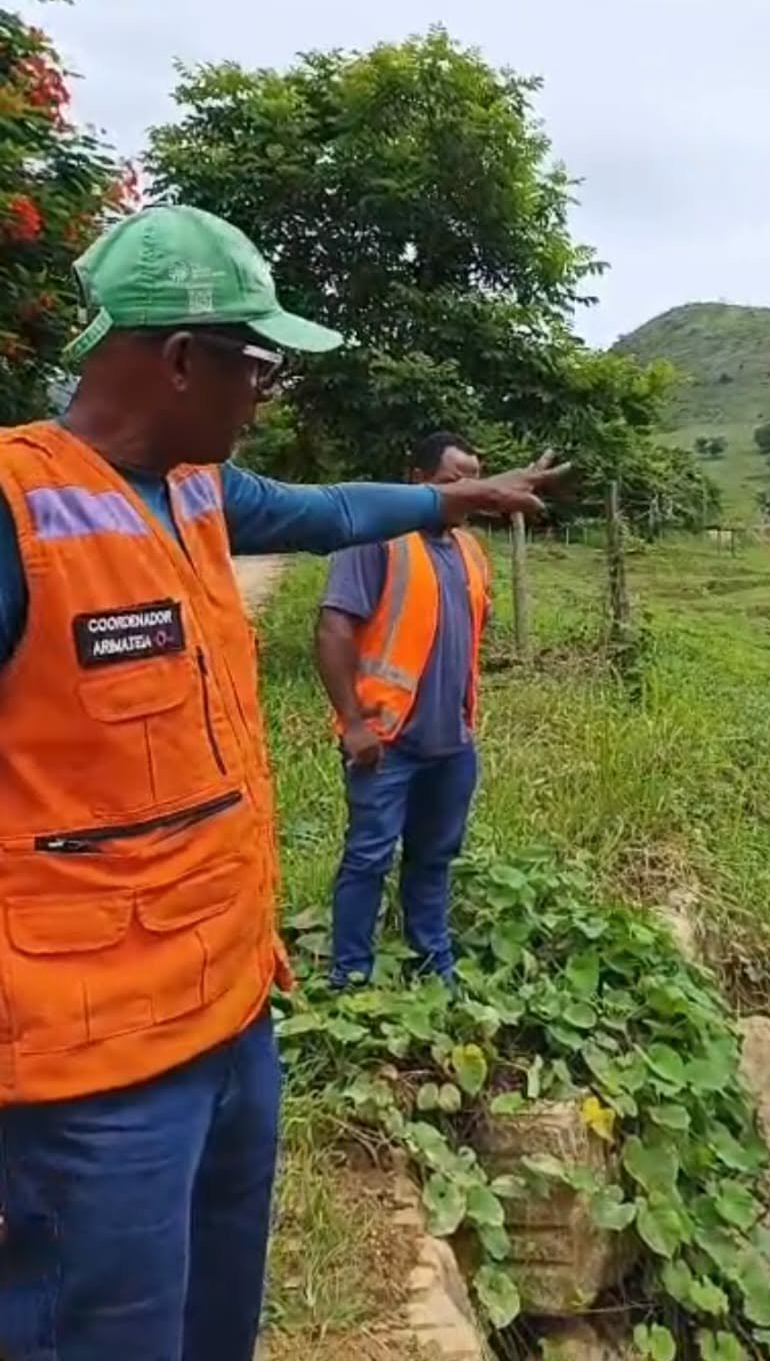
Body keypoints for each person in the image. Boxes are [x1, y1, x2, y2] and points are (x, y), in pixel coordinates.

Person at [0, 203, 567, 1361]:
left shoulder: (198, 492)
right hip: (88, 1082)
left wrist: (454, 500)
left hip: (232, 1022)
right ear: (179, 359)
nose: (266, 395)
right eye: (258, 366)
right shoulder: (16, 513)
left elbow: (333, 512)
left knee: (216, 1323)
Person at [317, 430, 491, 987]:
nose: (463, 495)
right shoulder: (377, 538)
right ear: (416, 480)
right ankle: (350, 975)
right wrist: (353, 723)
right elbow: (334, 628)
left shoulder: (470, 550)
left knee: (435, 856)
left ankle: (432, 960)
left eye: (473, 484)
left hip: (451, 742)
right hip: (384, 743)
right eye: (448, 483)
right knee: (369, 857)